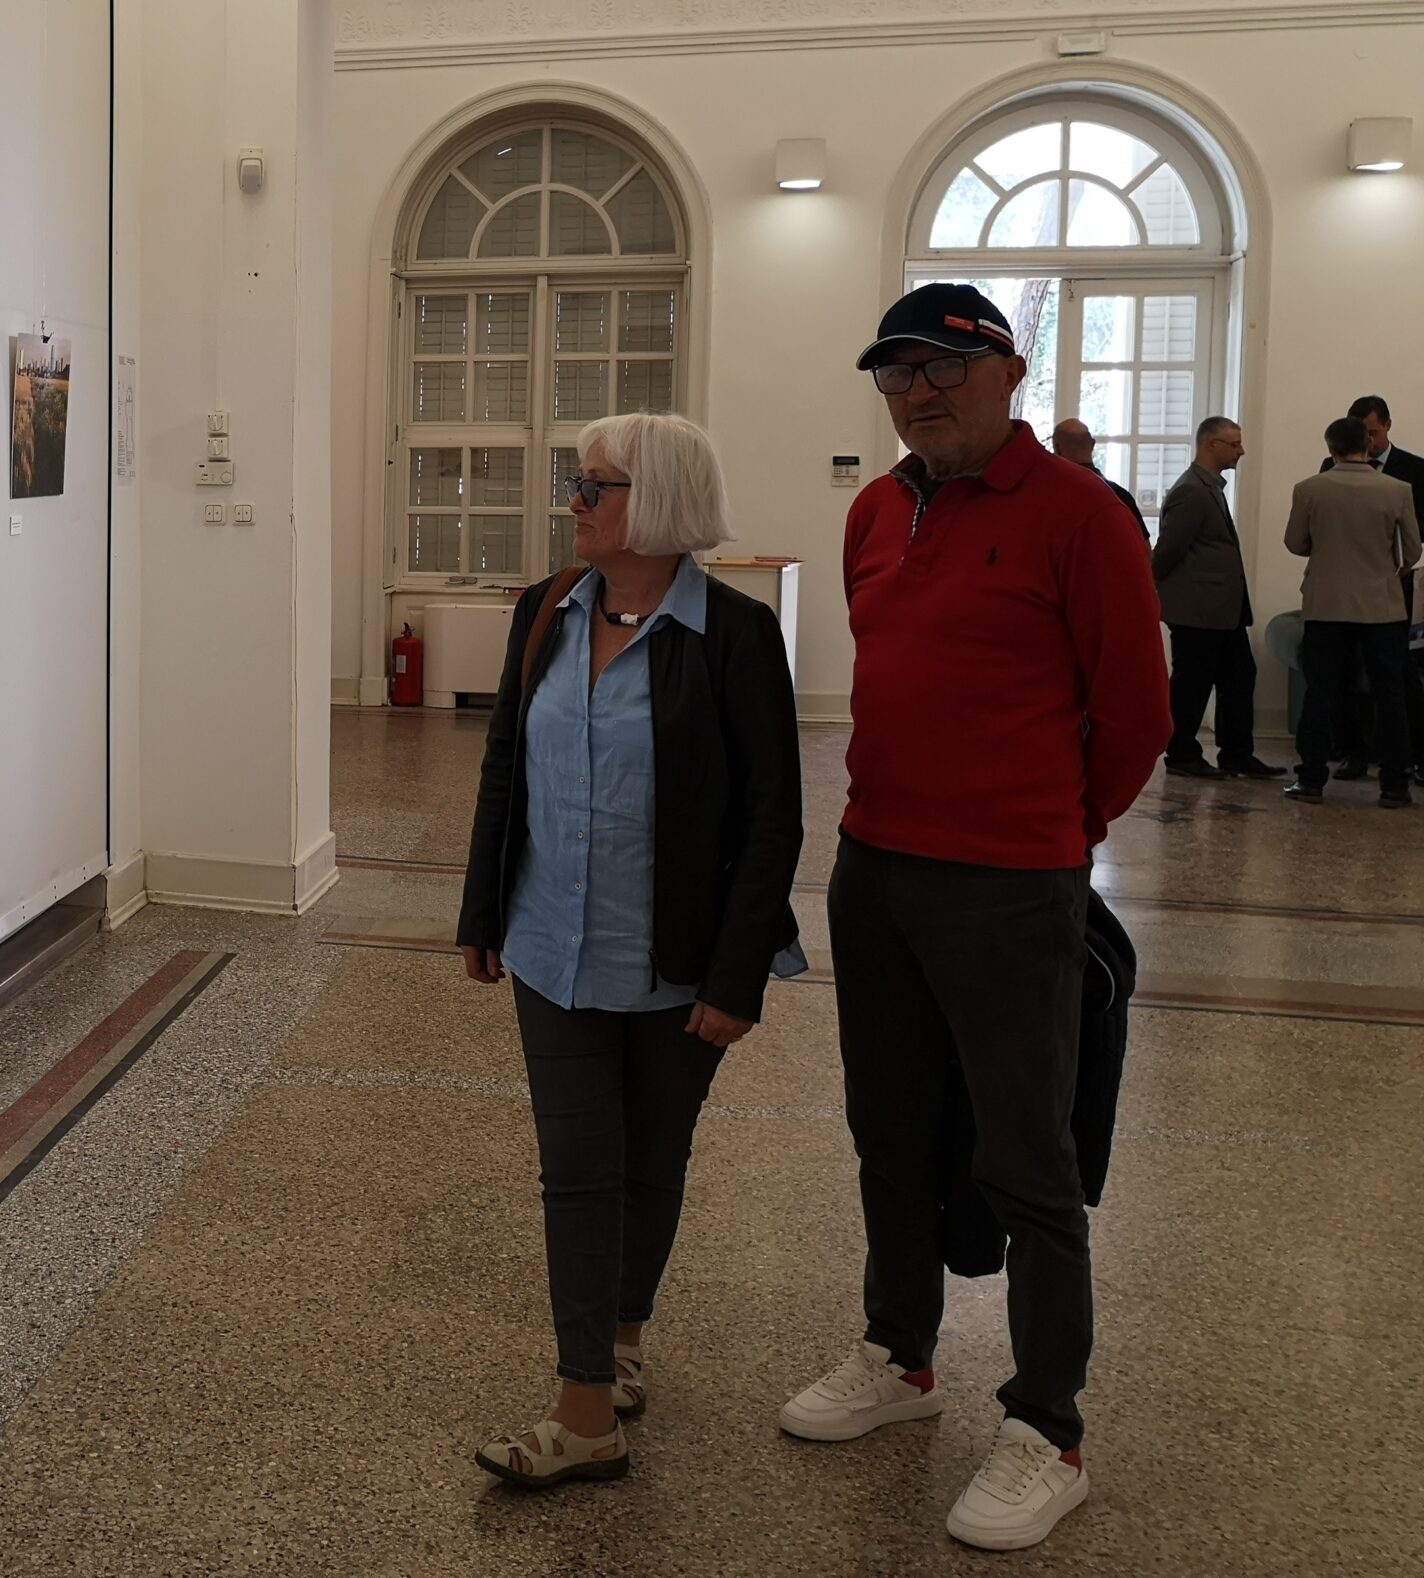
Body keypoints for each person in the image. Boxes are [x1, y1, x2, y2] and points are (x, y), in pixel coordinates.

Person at [780, 283, 1168, 1552]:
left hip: (1009, 886)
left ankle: (1046, 1427)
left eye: (946, 365)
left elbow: (1135, 718)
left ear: (1007, 373)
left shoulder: (1080, 515)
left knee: (1028, 1161)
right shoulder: (873, 510)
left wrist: (1052, 835)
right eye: (896, 373)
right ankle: (898, 1360)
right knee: (887, 1131)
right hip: (874, 869)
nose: (918, 390)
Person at [456, 412, 802, 1489]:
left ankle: (625, 1337)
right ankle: (583, 1408)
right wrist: (480, 913)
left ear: (653, 505)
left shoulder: (734, 637)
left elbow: (770, 820)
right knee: (578, 1174)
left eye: (591, 485)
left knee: (653, 1160)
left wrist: (736, 976)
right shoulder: (544, 611)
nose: (573, 501)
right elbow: (504, 770)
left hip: (676, 961)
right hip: (551, 946)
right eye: (577, 482)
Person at [1285, 416, 1422, 808]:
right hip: (1382, 606)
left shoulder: (1310, 488)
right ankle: (1395, 785)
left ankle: (1311, 779)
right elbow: (1412, 550)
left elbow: (1295, 542)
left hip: (1326, 604)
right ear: (1368, 444)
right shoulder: (1397, 489)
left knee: (1321, 691)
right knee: (1390, 694)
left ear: (1330, 448)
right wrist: (1386, 572)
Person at [1154, 417, 1281, 778]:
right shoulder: (1192, 491)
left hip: (1221, 610)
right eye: (1235, 443)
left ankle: (1237, 753)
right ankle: (1181, 754)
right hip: (1199, 610)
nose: (1241, 450)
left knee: (1239, 677)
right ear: (1212, 445)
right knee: (1192, 684)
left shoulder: (1208, 487)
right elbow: (1168, 551)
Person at [1048, 419, 1144, 532]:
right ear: (1093, 444)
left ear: (1057, 448)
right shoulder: (1120, 495)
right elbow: (1143, 546)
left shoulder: (1052, 497)